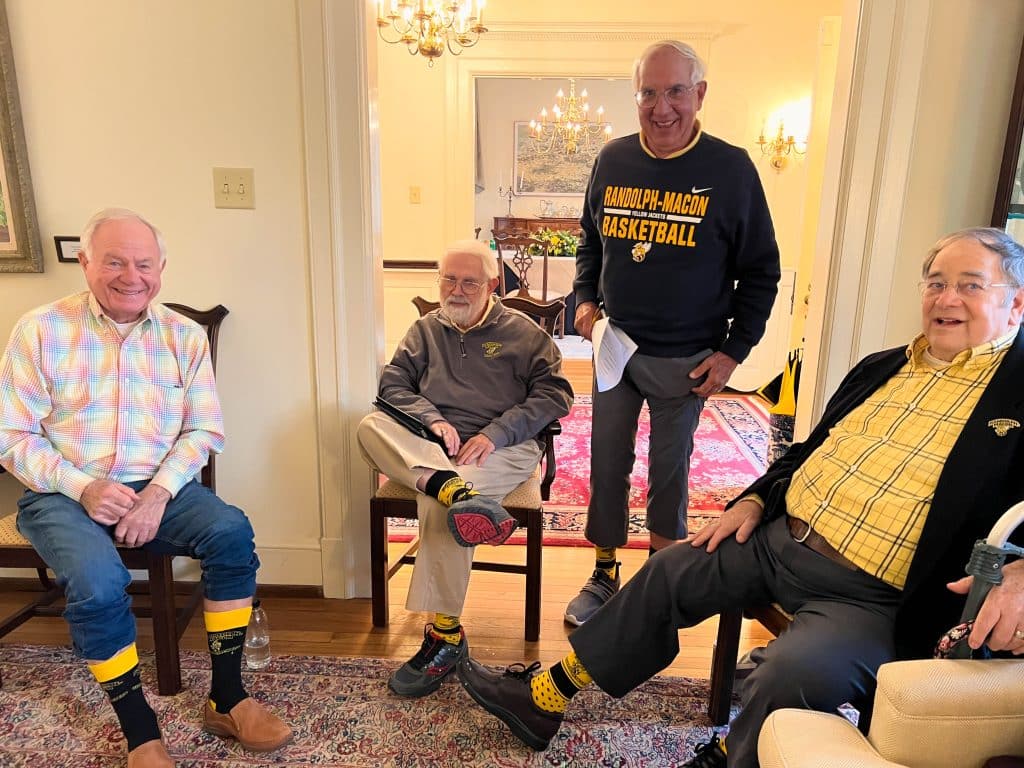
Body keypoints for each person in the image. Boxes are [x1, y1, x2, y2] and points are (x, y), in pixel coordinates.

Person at [458, 226, 1024, 768]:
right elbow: (806, 451)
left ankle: (731, 756)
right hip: (778, 538)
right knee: (669, 572)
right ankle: (545, 698)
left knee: (790, 672)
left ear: (1016, 304)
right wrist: (752, 501)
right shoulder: (885, 367)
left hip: (873, 595)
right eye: (935, 282)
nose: (947, 298)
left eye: (971, 284)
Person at [0, 209, 292, 768]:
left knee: (232, 533)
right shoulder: (40, 329)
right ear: (85, 263)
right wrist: (84, 487)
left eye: (143, 264)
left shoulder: (183, 337)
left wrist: (158, 493)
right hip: (61, 491)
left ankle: (227, 698)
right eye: (114, 261)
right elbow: (12, 436)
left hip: (161, 486)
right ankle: (140, 731)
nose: (131, 276)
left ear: (161, 269)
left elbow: (204, 428)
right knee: (98, 579)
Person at [565, 40, 781, 626]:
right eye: (649, 94)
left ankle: (655, 589)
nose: (662, 108)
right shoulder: (612, 160)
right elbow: (589, 243)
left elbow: (762, 271)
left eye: (676, 92)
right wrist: (585, 302)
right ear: (636, 97)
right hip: (617, 348)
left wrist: (734, 353)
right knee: (606, 462)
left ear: (700, 94)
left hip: (686, 357)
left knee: (669, 473)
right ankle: (604, 571)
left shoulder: (730, 168)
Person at [357, 240, 573, 698]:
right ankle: (449, 486)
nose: (456, 289)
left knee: (443, 504)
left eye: (469, 281)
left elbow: (556, 394)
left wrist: (496, 433)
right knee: (369, 427)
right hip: (431, 445)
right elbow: (392, 383)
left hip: (499, 449)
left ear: (493, 285)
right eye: (448, 279)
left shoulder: (524, 333)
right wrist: (431, 420)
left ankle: (445, 635)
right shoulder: (424, 330)